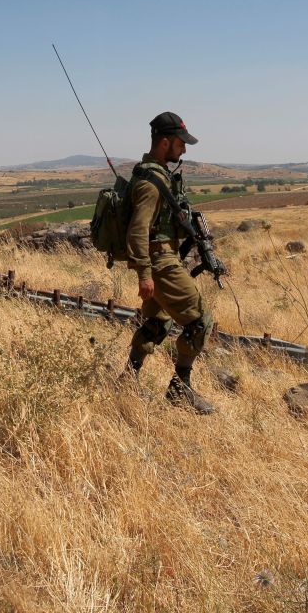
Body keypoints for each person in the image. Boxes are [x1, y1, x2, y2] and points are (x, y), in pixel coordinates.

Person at [124, 112, 216, 414]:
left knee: (158, 321)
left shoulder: (154, 174)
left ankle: (127, 379)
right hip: (159, 261)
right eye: (180, 143)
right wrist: (145, 274)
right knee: (199, 320)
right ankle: (180, 388)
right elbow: (138, 229)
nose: (184, 150)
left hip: (162, 258)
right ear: (165, 143)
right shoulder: (151, 183)